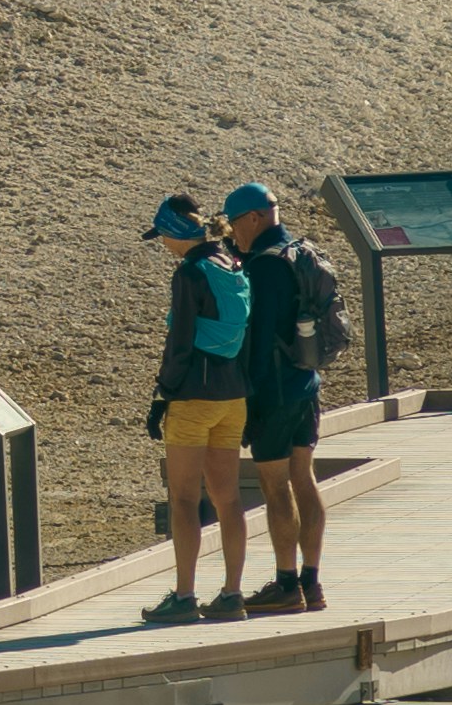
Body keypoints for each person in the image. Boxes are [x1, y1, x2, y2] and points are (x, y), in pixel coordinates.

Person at [219, 180, 347, 612]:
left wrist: (248, 401)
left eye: (234, 222)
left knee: (276, 487)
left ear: (254, 217)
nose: (233, 231)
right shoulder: (299, 250)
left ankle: (286, 584)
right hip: (306, 383)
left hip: (273, 390)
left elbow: (259, 338)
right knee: (304, 480)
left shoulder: (265, 266)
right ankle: (312, 582)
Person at [138, 197, 255, 623]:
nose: (163, 243)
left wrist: (161, 395)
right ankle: (232, 594)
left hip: (193, 397)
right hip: (233, 396)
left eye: (163, 235)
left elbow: (181, 341)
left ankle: (184, 597)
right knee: (228, 499)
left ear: (175, 232)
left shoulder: (189, 273)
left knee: (184, 499)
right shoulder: (233, 264)